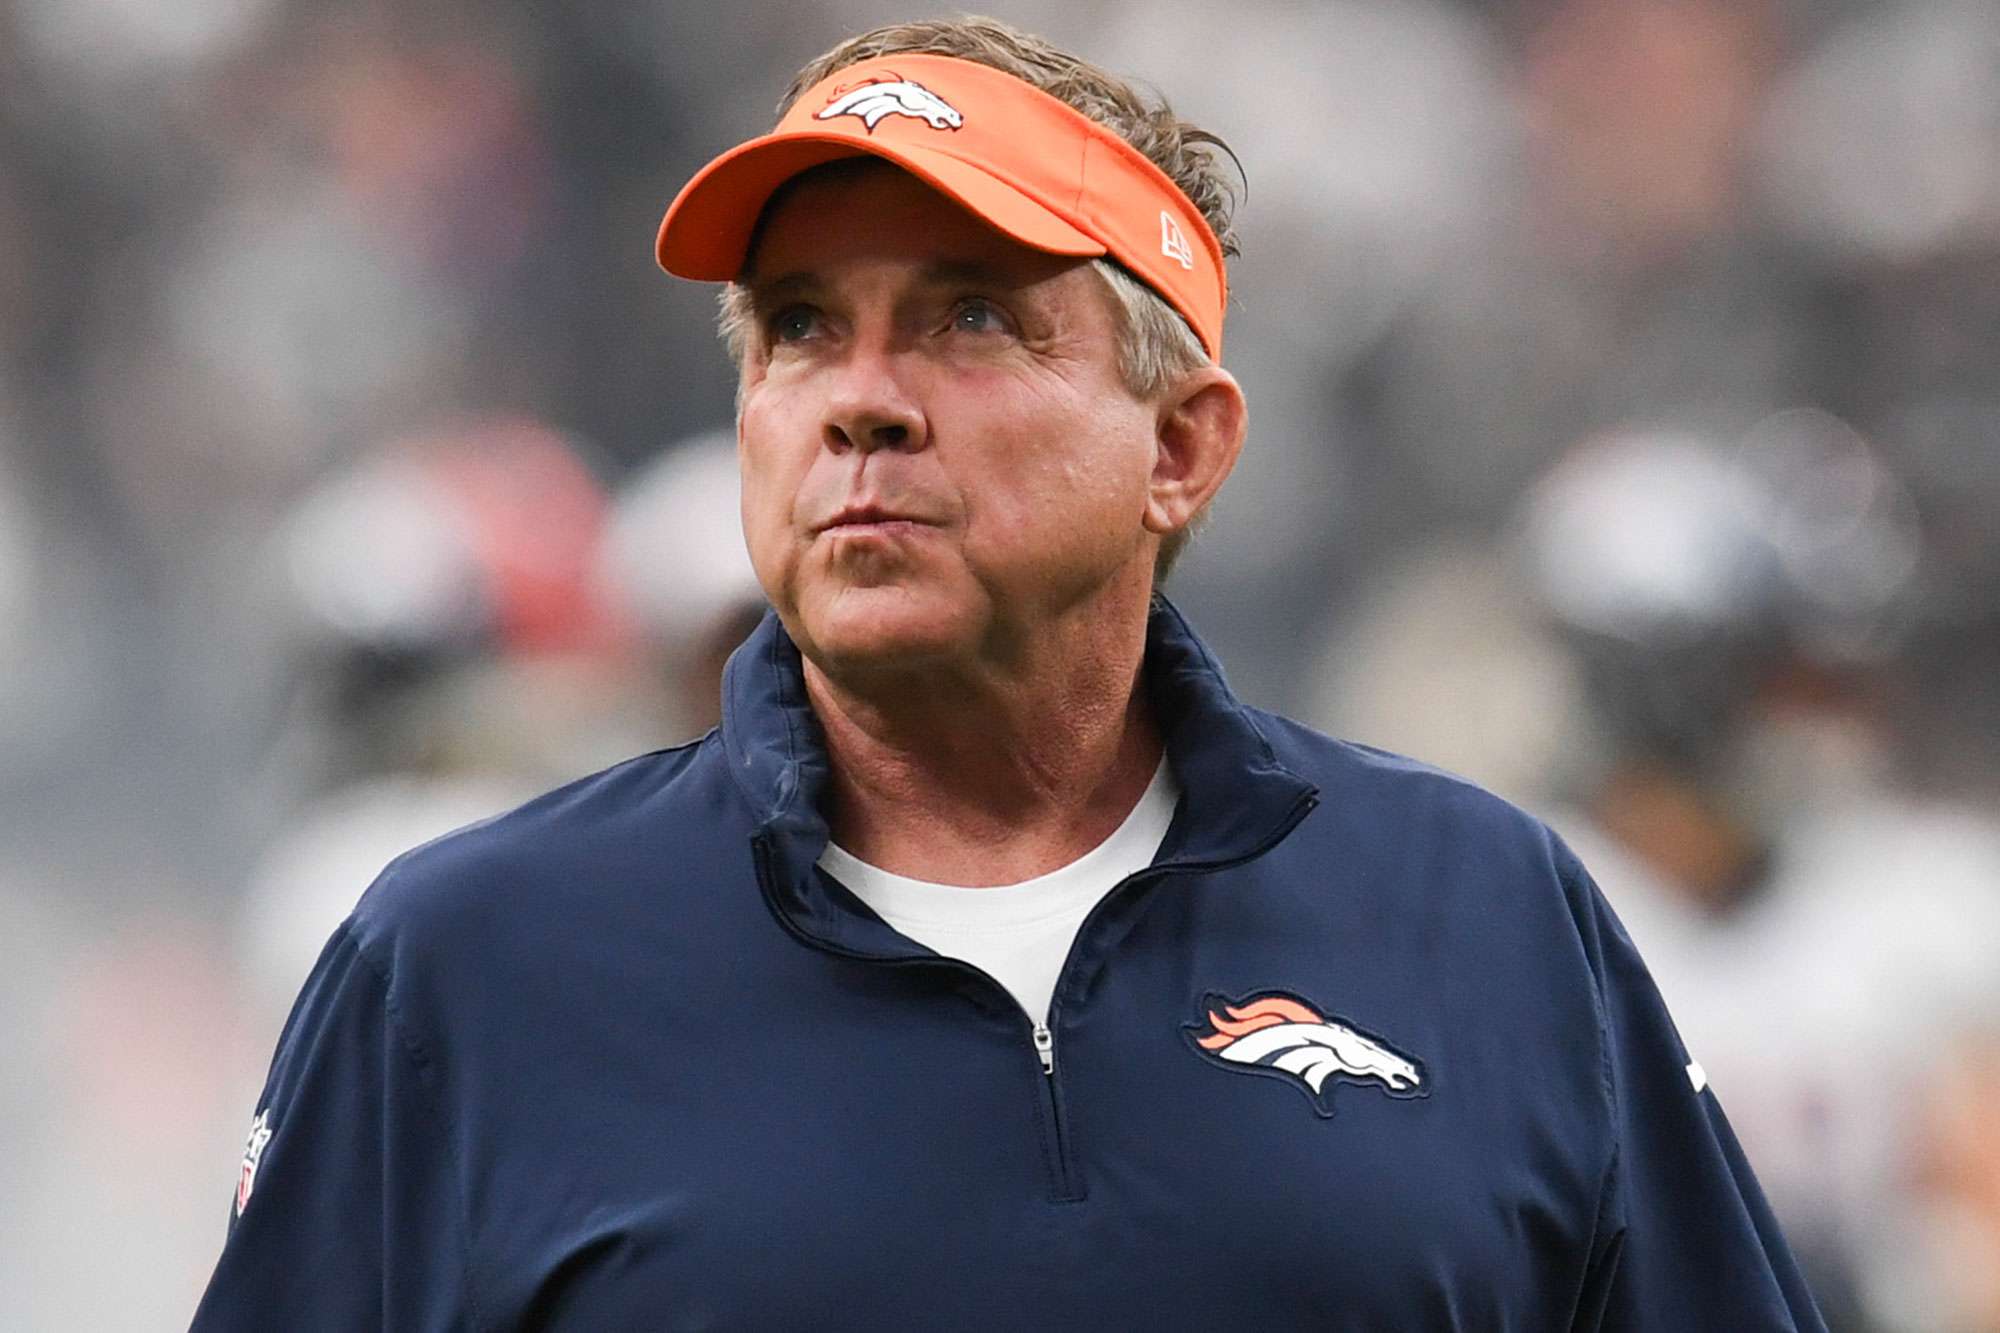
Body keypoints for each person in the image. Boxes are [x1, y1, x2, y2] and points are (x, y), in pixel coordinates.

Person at [193, 17, 1825, 1329]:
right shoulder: (467, 967)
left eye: (970, 317)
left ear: (1181, 445)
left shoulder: (1485, 917)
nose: (863, 400)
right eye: (802, 327)